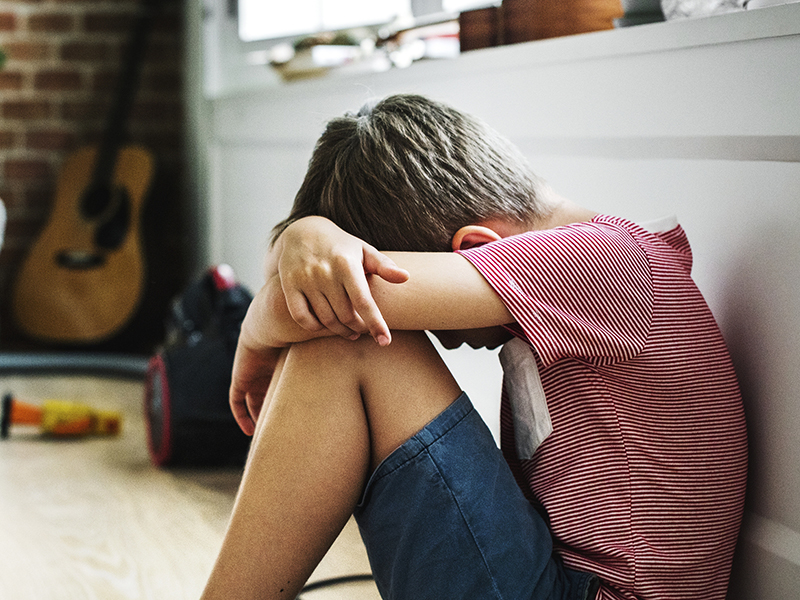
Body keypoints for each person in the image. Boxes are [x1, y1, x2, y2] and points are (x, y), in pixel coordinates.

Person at [200, 95, 747, 600]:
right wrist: (304, 236)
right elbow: (305, 285)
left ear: (478, 248)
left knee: (350, 337)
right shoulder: (609, 262)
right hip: (567, 582)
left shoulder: (602, 262)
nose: (440, 333)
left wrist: (252, 337)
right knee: (342, 315)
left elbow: (307, 301)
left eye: (440, 320)